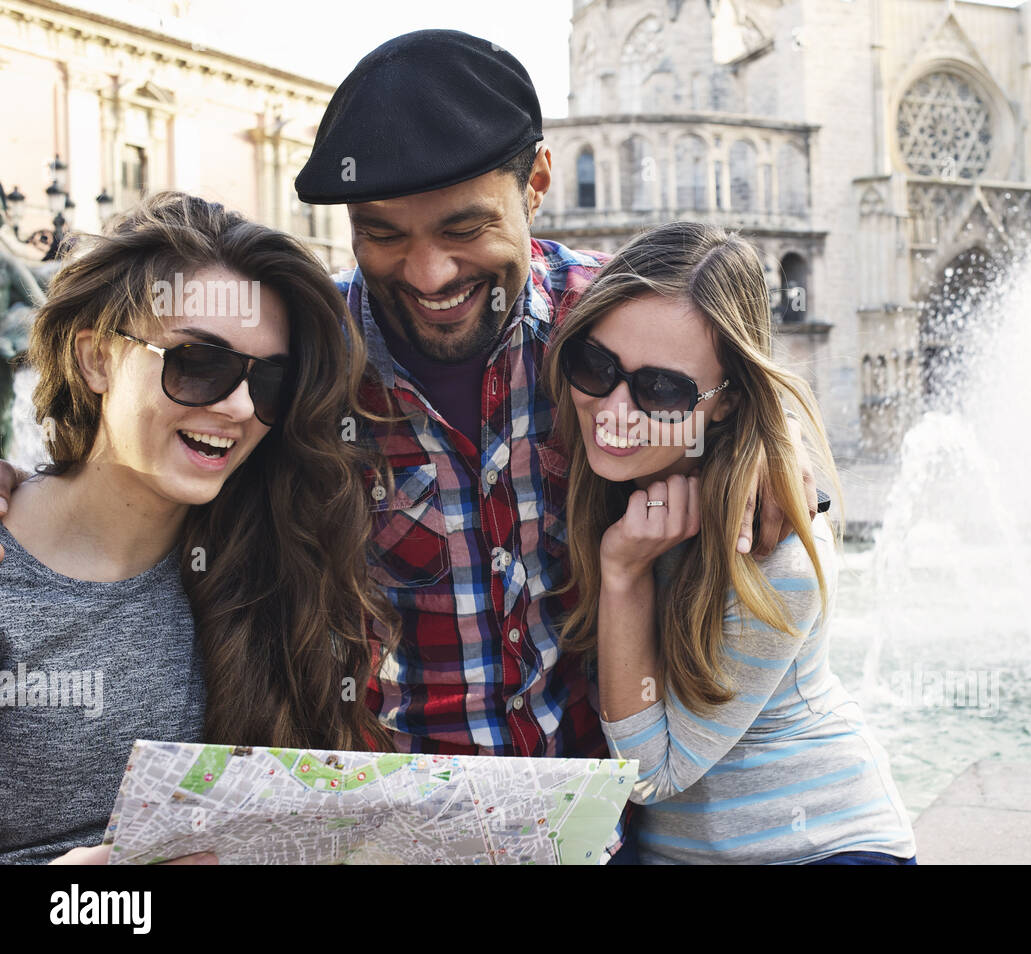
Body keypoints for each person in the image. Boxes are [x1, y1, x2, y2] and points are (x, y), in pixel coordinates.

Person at [0, 30, 812, 863]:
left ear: (536, 183)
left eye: (464, 228)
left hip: (592, 836)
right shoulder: (306, 364)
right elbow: (142, 456)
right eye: (382, 233)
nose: (428, 274)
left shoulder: (609, 337)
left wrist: (770, 458)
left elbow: (732, 391)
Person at [0, 192, 391, 864]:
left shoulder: (276, 570)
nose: (238, 405)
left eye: (270, 380)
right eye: (197, 363)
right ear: (98, 360)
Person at [542, 221, 918, 864]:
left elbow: (654, 775)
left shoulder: (776, 552)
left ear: (727, 400)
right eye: (596, 365)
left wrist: (624, 576)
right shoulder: (623, 472)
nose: (615, 411)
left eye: (664, 390)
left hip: (821, 848)